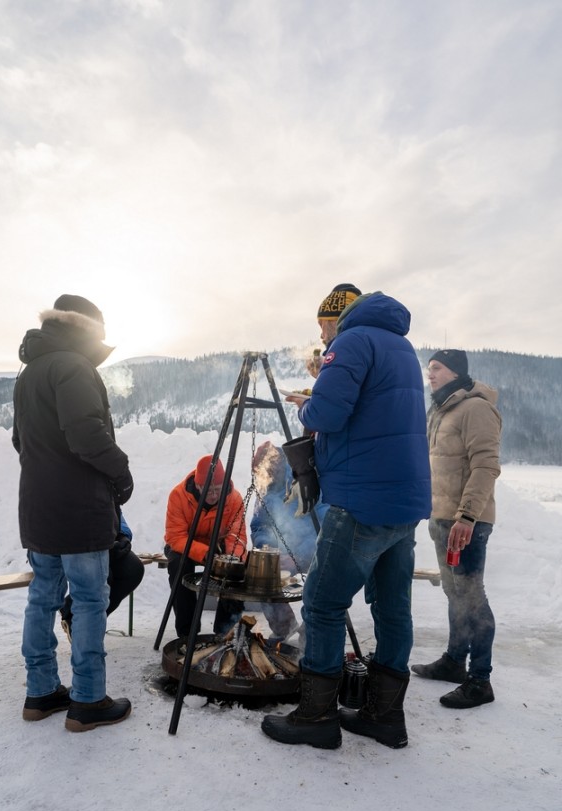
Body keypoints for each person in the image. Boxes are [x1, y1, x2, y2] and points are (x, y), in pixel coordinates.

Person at [261, 288, 431, 750]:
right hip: (404, 500)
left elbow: (329, 414)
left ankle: (316, 716)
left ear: (341, 318)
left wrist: (306, 404)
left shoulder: (351, 343)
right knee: (393, 608)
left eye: (323, 324)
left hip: (363, 498)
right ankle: (384, 716)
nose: (320, 334)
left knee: (321, 602)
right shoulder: (401, 346)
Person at [13, 294, 133, 732]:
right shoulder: (74, 367)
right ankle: (87, 700)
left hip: (38, 509)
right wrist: (121, 474)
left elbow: (19, 442)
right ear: (87, 330)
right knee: (87, 600)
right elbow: (87, 436)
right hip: (79, 511)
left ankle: (41, 692)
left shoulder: (30, 373)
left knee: (42, 597)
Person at [411, 349, 501, 708]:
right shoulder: (441, 409)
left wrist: (467, 517)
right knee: (454, 592)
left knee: (471, 597)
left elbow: (486, 466)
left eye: (437, 368)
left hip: (468, 521)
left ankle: (480, 679)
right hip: (443, 517)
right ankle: (453, 662)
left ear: (455, 372)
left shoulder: (476, 409)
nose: (430, 374)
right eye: (429, 368)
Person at [164, 455, 248, 641]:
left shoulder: (233, 499)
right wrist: (204, 554)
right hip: (185, 545)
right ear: (198, 484)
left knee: (237, 569)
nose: (213, 495)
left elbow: (237, 536)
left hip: (219, 546)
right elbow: (175, 536)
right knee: (178, 565)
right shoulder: (178, 496)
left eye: (217, 490)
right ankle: (187, 631)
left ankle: (224, 631)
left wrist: (232, 559)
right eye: (207, 490)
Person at [250, 441, 327, 639]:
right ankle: (284, 627)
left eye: (265, 472)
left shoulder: (302, 478)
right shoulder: (264, 485)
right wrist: (269, 550)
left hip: (313, 550)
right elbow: (259, 525)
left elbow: (326, 527)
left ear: (275, 465)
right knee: (263, 575)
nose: (263, 477)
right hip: (283, 553)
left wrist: (298, 556)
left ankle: (310, 631)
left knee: (322, 581)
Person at [59, 511, 145, 641]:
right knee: (102, 576)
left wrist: (122, 535)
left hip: (103, 542)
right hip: (74, 545)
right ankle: (79, 624)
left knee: (133, 569)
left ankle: (86, 619)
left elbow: (114, 508)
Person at [304, 283, 362, 379]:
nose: (321, 336)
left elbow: (336, 391)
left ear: (334, 323)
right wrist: (327, 368)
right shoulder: (369, 339)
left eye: (322, 326)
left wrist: (327, 372)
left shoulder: (350, 346)